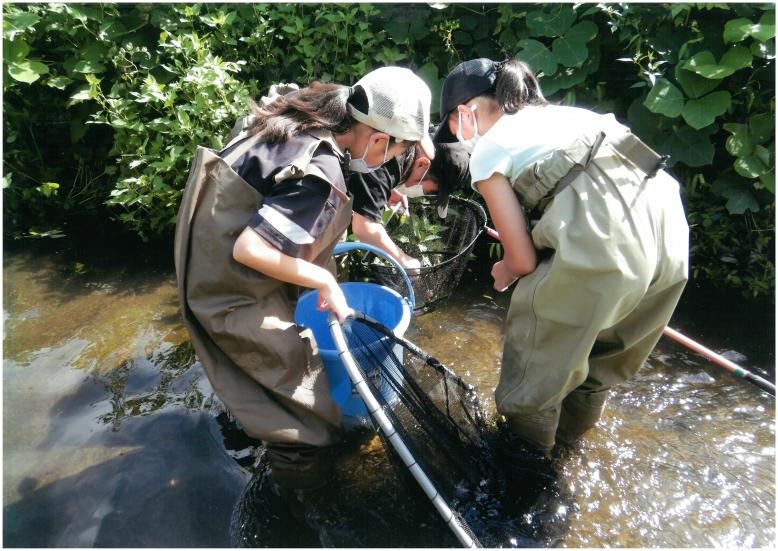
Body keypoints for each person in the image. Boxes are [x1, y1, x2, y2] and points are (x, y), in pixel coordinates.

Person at [174, 66, 433, 494]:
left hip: (202, 253)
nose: (389, 163)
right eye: (394, 154)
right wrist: (324, 281)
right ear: (378, 139)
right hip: (225, 286)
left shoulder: (302, 115)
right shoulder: (320, 170)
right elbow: (250, 251)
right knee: (307, 415)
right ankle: (298, 508)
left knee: (267, 376)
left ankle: (258, 414)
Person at [434, 58, 689, 454]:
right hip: (669, 234)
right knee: (596, 370)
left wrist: (502, 271)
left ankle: (529, 484)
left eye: (451, 126)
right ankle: (568, 453)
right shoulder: (573, 116)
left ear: (464, 112)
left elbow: (522, 261)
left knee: (532, 387)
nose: (456, 136)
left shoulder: (489, 148)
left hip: (604, 246)